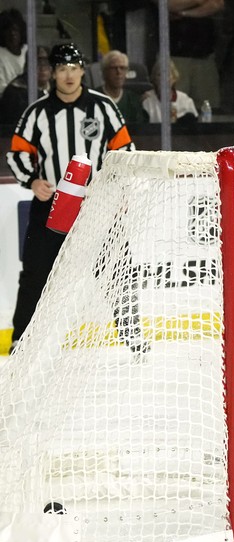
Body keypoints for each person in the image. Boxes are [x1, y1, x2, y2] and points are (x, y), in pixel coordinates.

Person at [5, 43, 134, 354]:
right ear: (52, 73)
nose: (69, 75)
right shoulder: (37, 113)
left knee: (116, 273)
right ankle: (21, 338)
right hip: (51, 206)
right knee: (35, 274)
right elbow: (17, 154)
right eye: (62, 69)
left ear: (81, 71)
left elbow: (125, 152)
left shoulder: (103, 107)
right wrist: (32, 181)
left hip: (97, 206)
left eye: (74, 68)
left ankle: (134, 338)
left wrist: (117, 190)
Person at [154, 0, 224, 110]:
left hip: (204, 55)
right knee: (173, 107)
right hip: (173, 55)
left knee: (207, 107)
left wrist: (184, 13)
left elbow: (217, 3)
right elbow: (167, 4)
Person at [0, 45, 51, 126]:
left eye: (46, 63)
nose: (43, 68)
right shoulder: (16, 93)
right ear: (27, 67)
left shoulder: (56, 87)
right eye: (37, 63)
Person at [99, 50, 149, 125]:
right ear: (104, 72)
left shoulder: (133, 100)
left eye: (122, 68)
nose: (119, 72)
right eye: (114, 68)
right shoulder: (93, 98)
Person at [141, 58, 199, 123]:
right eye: (159, 75)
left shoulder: (185, 100)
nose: (163, 78)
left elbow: (194, 126)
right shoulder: (148, 100)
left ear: (174, 78)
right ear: (155, 79)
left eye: (167, 75)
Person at [0, 8, 26, 96]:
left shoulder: (28, 51)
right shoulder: (1, 55)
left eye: (15, 30)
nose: (12, 34)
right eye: (8, 30)